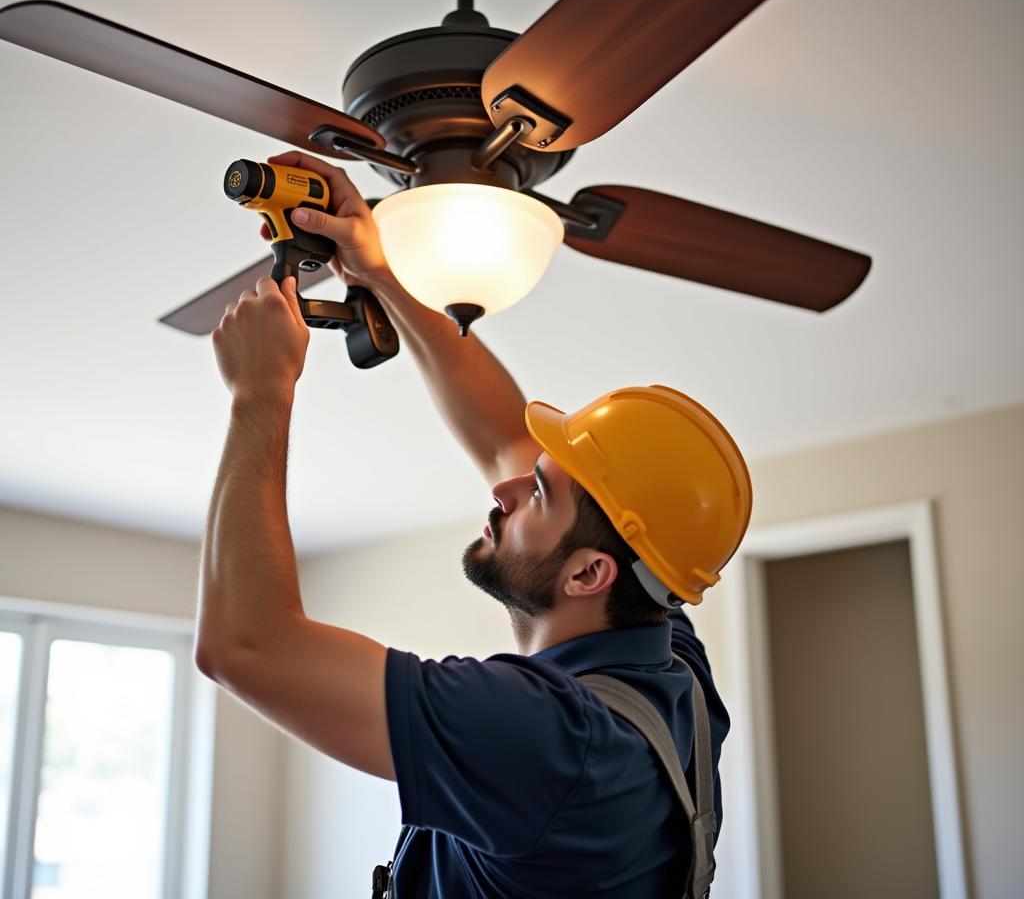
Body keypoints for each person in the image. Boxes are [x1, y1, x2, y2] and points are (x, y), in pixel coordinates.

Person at [195, 151, 752, 898]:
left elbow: (248, 647)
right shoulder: (664, 665)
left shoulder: (549, 737)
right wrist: (382, 273)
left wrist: (259, 395)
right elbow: (506, 441)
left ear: (591, 574)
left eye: (540, 495)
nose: (506, 489)